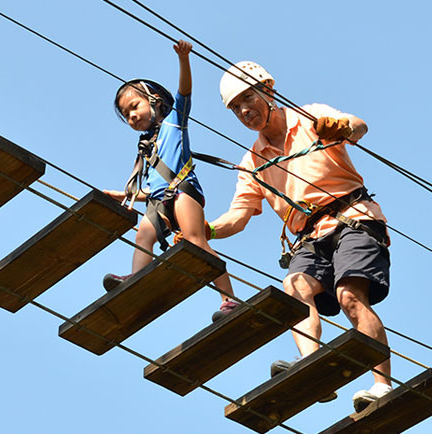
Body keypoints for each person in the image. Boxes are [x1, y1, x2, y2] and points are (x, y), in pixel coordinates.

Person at [209, 60, 392, 411]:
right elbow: (238, 216)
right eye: (236, 108)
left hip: (354, 218)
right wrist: (207, 230)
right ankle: (313, 362)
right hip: (308, 238)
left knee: (349, 295)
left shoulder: (309, 117)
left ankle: (381, 384)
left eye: (248, 99)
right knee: (294, 289)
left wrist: (340, 127)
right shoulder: (252, 162)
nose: (245, 111)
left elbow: (359, 127)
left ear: (268, 90)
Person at [102, 40, 239, 322]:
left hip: (182, 192)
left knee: (194, 239)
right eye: (126, 114)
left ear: (154, 100)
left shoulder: (174, 123)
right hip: (158, 199)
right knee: (142, 236)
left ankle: (229, 298)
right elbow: (151, 187)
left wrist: (184, 60)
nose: (132, 116)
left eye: (134, 106)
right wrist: (123, 195)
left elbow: (184, 91)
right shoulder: (146, 146)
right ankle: (137, 279)